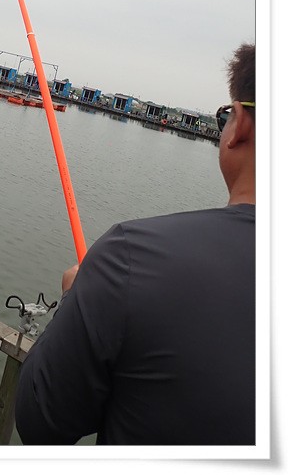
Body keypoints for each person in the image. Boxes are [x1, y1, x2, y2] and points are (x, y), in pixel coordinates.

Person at [15, 43, 255, 445]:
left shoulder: (127, 258)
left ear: (241, 125)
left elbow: (40, 422)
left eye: (225, 117)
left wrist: (76, 298)